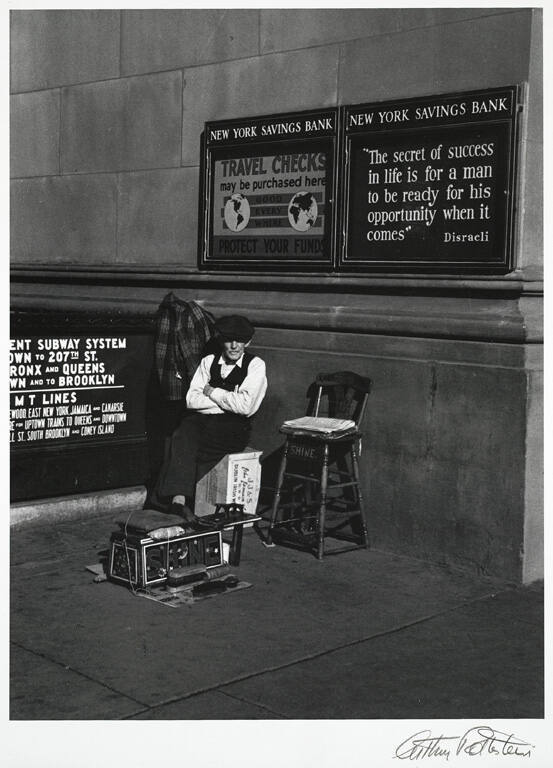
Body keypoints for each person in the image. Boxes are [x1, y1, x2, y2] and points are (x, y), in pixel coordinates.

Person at [152, 314, 267, 523]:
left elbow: (246, 407)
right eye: (228, 340)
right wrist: (228, 401)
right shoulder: (209, 361)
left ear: (248, 342)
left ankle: (177, 503)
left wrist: (212, 392)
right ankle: (179, 502)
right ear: (221, 341)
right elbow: (191, 400)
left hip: (233, 427)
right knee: (181, 434)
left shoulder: (256, 365)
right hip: (201, 420)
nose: (233, 346)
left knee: (188, 446)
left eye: (239, 341)